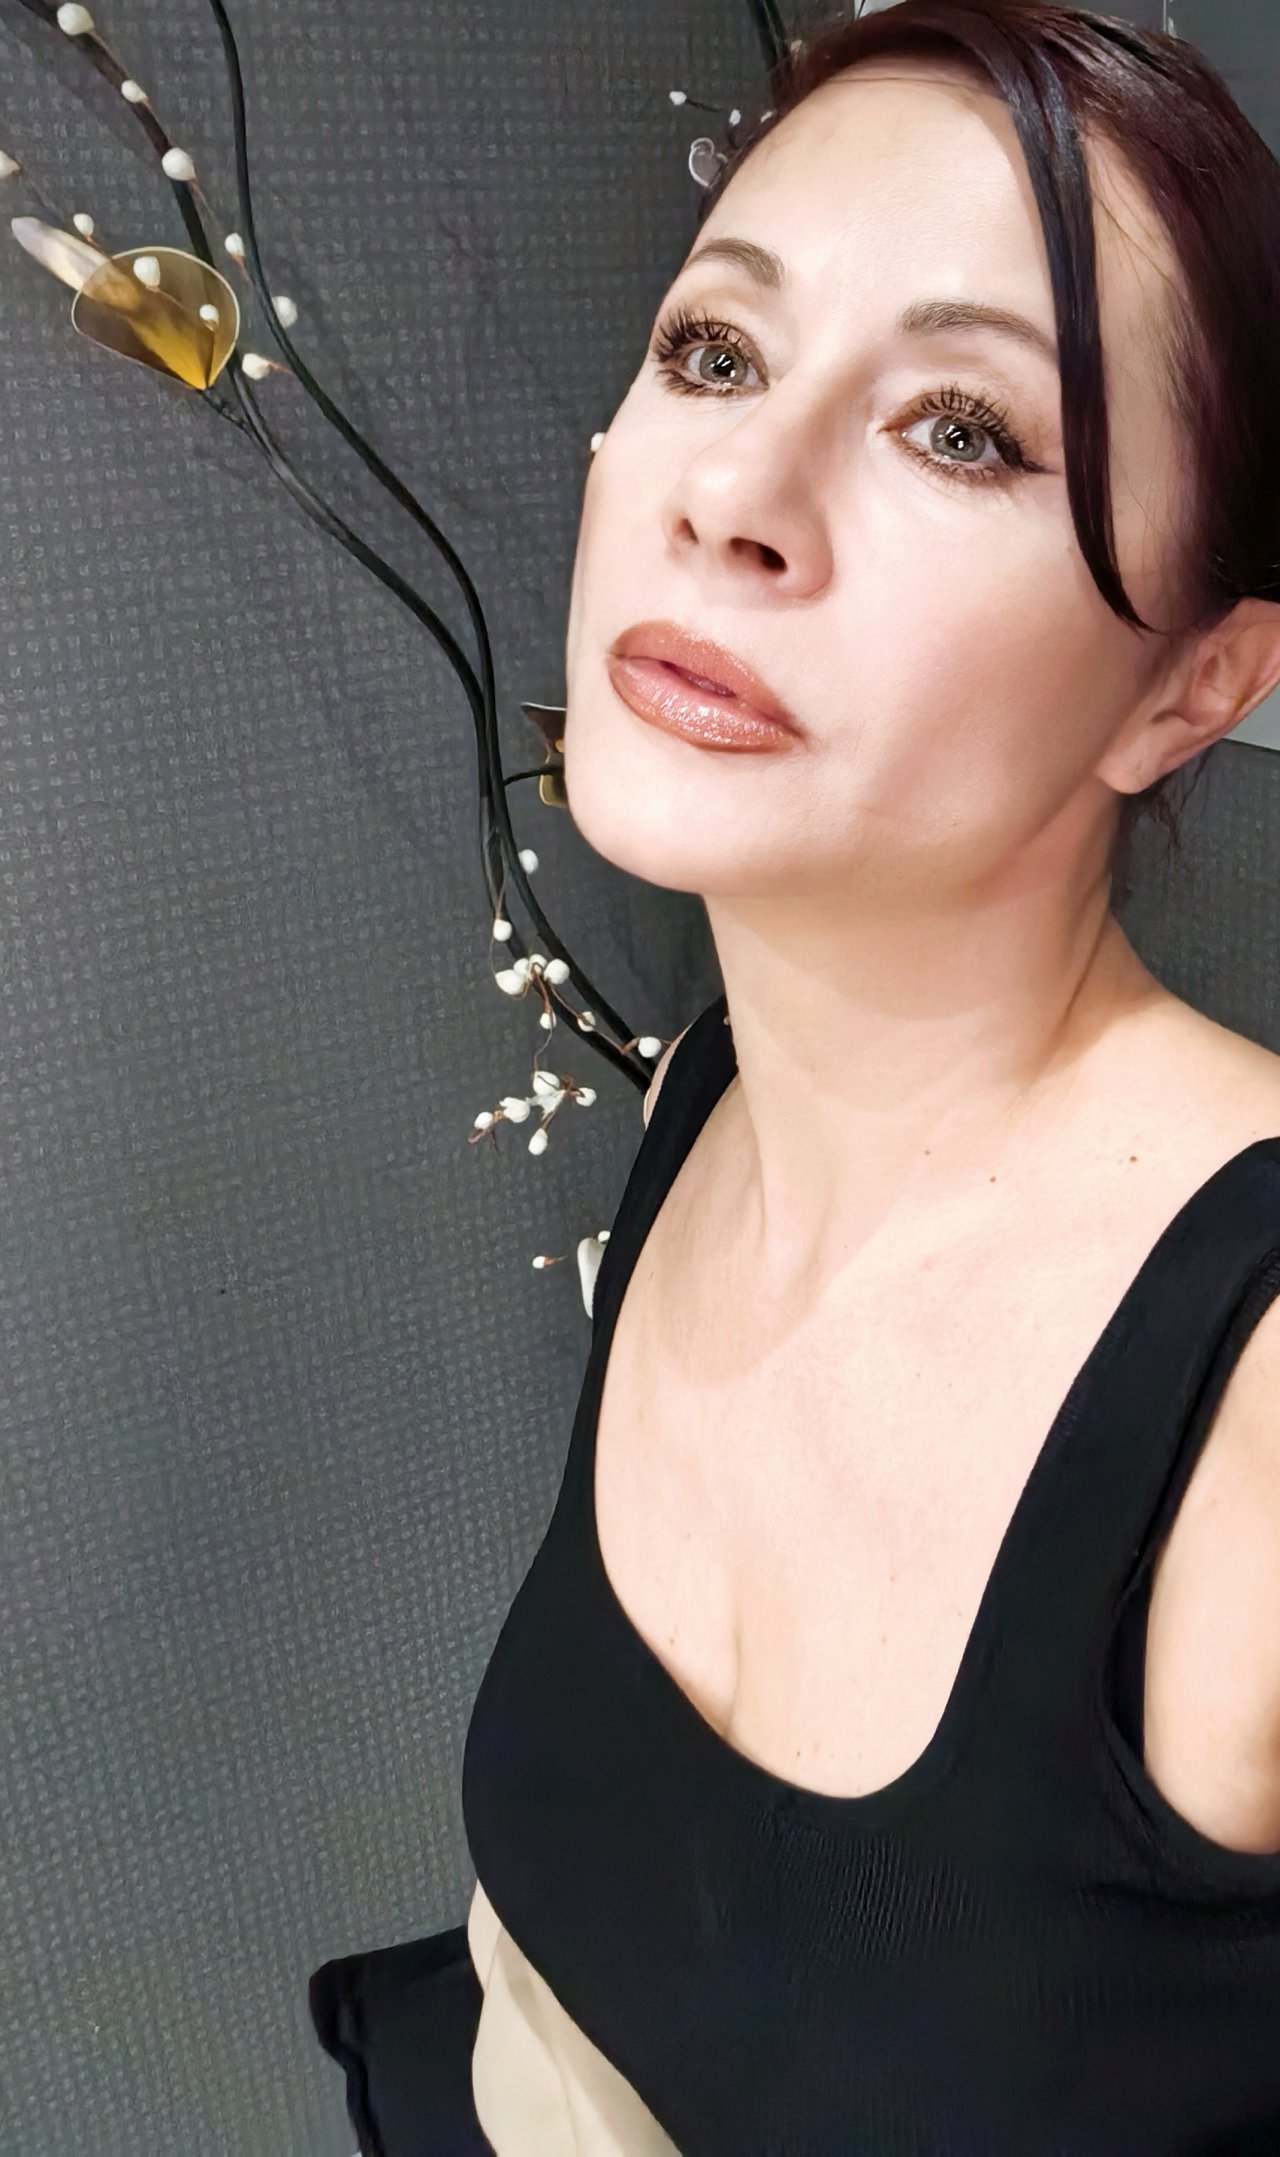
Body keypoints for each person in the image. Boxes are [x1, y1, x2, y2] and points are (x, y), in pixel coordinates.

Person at [317, 3, 1280, 2148]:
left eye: (960, 429)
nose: (734, 497)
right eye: (715, 352)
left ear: (1192, 685)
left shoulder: (1252, 1403)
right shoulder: (704, 1103)